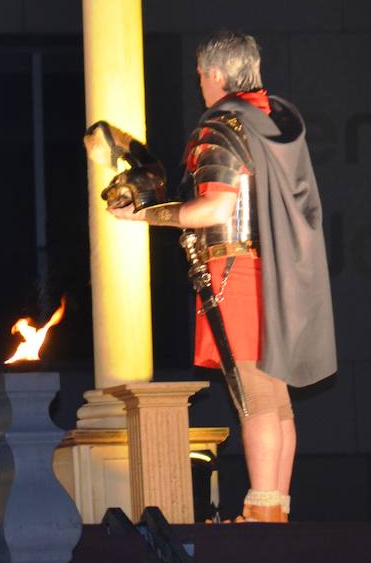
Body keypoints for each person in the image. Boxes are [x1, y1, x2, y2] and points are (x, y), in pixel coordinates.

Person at [108, 29, 335, 522]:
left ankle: (261, 508)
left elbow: (214, 207)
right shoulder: (271, 121)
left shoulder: (224, 125)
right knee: (276, 400)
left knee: (253, 395)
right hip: (278, 271)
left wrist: (144, 215)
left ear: (213, 75)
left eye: (200, 78)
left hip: (237, 273)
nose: (200, 87)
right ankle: (274, 506)